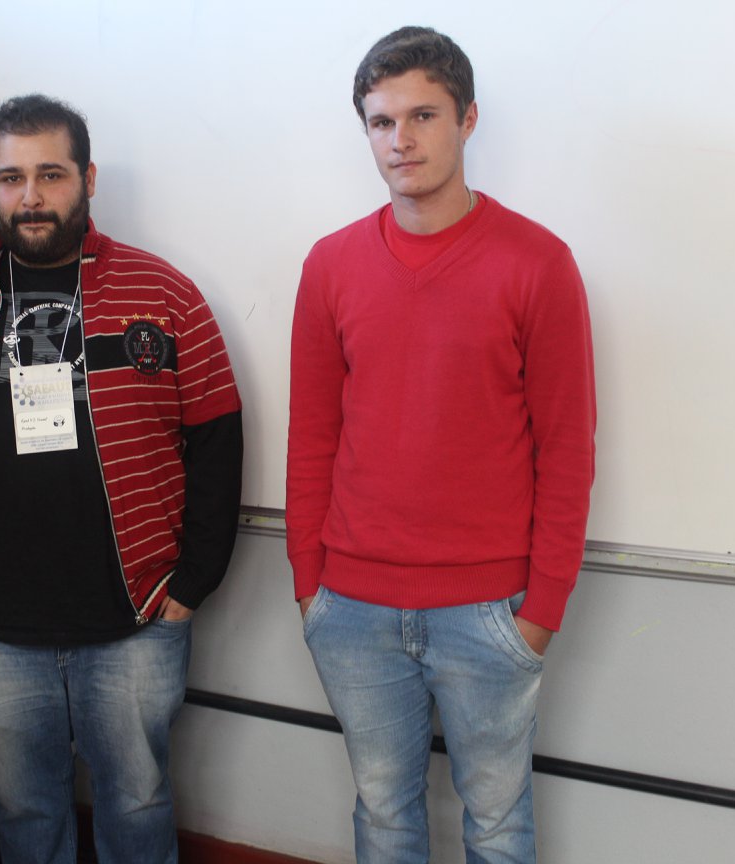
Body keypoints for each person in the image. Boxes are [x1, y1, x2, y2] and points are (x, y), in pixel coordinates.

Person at [0, 94, 243, 864]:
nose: (31, 196)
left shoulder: (165, 296)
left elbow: (218, 440)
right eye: (11, 177)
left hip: (137, 613)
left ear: (88, 178)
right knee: (24, 808)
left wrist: (193, 583)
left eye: (51, 174)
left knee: (138, 803)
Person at [287, 26, 596, 864]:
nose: (402, 139)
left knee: (496, 826)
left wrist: (540, 612)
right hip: (351, 609)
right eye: (382, 122)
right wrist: (310, 584)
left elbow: (567, 448)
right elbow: (312, 437)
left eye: (423, 115)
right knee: (384, 815)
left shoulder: (538, 264)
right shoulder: (330, 266)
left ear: (467, 120)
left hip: (490, 611)